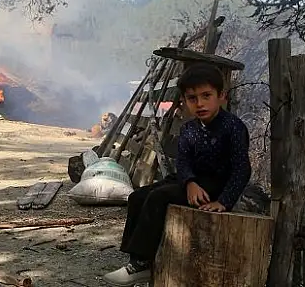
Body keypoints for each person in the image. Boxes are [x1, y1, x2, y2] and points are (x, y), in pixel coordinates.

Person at [102, 63, 251, 286]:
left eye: (206, 95)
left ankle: (142, 262)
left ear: (222, 96)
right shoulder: (189, 129)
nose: (200, 103)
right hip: (189, 181)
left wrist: (224, 201)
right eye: (192, 98)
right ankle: (137, 261)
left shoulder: (233, 127)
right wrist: (189, 181)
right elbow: (183, 162)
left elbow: (242, 168)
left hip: (214, 185)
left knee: (158, 198)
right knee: (137, 197)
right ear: (184, 101)